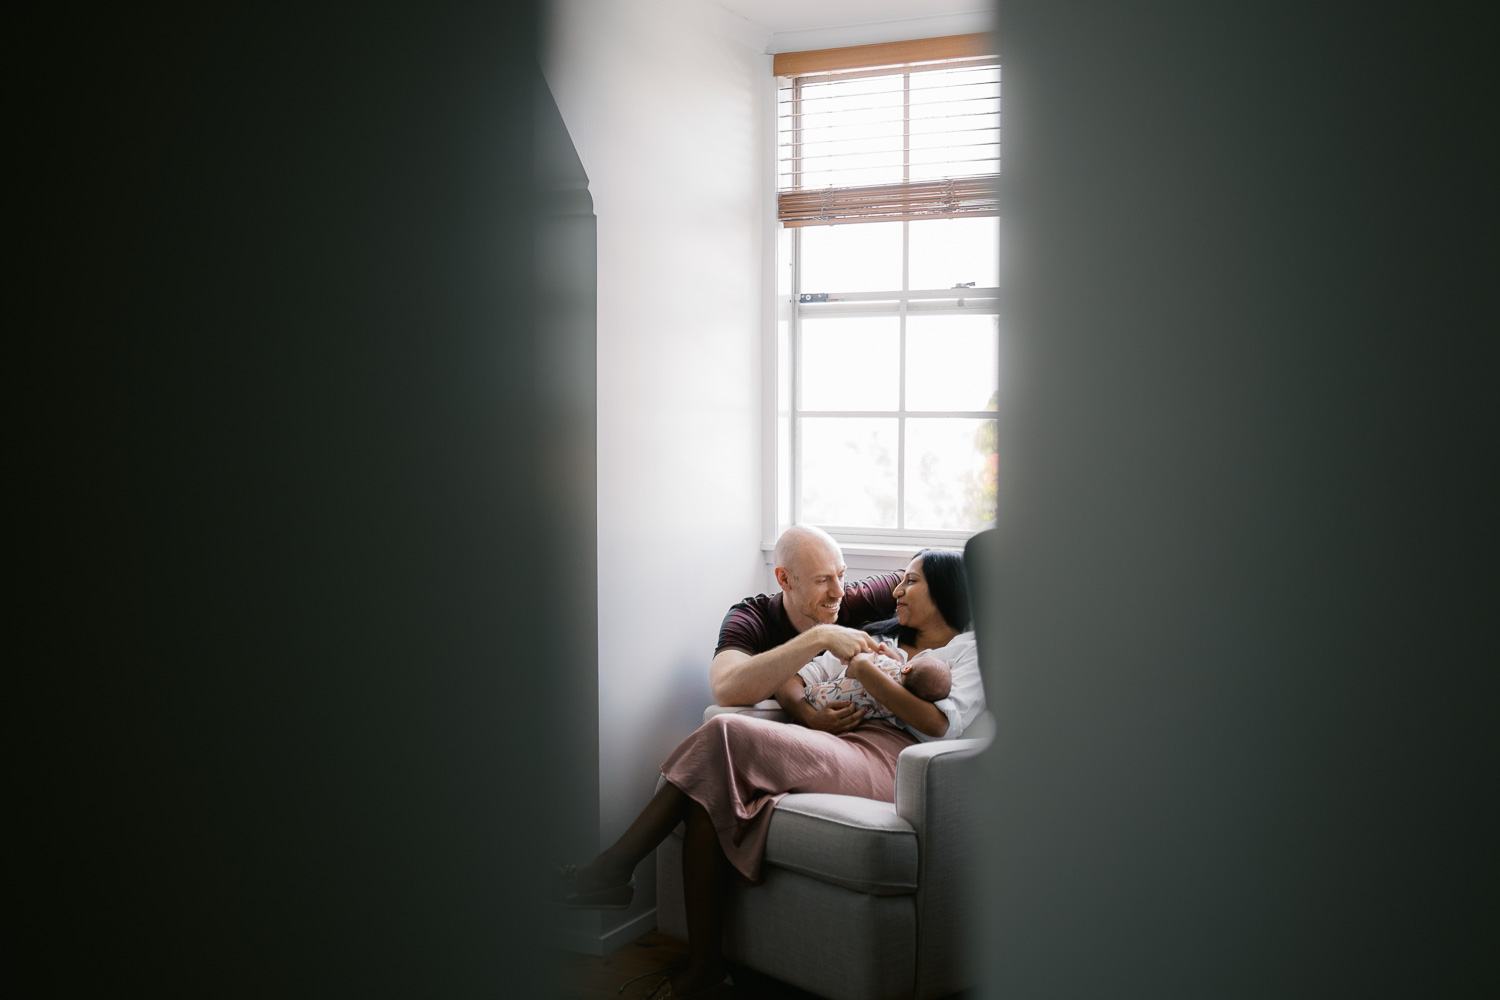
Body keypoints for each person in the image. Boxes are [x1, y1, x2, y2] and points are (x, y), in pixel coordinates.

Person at [557, 549, 985, 999]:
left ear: (945, 590)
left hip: (892, 763)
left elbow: (941, 725)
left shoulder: (969, 651)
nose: (896, 590)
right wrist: (808, 713)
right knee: (709, 793)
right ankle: (705, 966)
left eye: (911, 582)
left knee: (723, 729)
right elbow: (791, 678)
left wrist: (863, 671)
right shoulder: (876, 636)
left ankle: (612, 869)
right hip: (836, 742)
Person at [709, 524, 901, 714]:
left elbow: (922, 574)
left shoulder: (858, 598)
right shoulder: (750, 618)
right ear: (784, 579)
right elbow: (725, 690)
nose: (838, 591)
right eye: (822, 580)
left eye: (841, 575)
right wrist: (821, 636)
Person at [798, 645, 953, 720]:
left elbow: (855, 668)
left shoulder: (887, 664)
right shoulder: (896, 708)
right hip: (838, 715)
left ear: (906, 668)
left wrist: (873, 658)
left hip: (816, 693)